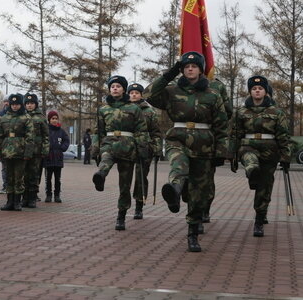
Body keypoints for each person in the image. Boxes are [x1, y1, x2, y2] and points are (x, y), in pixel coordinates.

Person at [143, 52, 229, 252]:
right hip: (178, 139)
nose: (190, 69)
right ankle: (174, 191)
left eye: (194, 66)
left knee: (198, 191)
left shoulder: (212, 94)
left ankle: (192, 233)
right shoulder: (172, 91)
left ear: (201, 70)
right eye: (186, 66)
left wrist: (221, 152)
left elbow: (222, 125)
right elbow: (148, 95)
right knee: (178, 166)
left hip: (204, 145)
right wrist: (169, 73)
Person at [231, 76, 291, 237]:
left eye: (260, 88)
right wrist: (232, 156)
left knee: (265, 186)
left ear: (266, 92)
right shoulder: (241, 112)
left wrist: (286, 157)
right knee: (250, 160)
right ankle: (252, 171)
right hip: (248, 145)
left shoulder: (276, 112)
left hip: (270, 150)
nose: (257, 91)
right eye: (254, 89)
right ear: (250, 92)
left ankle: (259, 218)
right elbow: (235, 135)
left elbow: (283, 136)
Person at [92, 75, 149, 231]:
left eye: (118, 86)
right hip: (109, 143)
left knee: (125, 184)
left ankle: (121, 215)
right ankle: (100, 176)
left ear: (124, 89)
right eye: (112, 86)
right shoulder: (103, 109)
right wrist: (95, 149)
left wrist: (143, 150)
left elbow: (141, 131)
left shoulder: (134, 109)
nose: (115, 88)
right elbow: (98, 131)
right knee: (105, 160)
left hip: (127, 146)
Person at [127, 83, 162, 220]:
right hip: (127, 147)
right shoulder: (124, 109)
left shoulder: (149, 111)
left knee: (141, 178)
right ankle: (123, 206)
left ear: (141, 95)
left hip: (144, 148)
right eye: (131, 92)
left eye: (136, 92)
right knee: (126, 178)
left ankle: (139, 206)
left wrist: (157, 149)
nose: (134, 94)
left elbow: (156, 132)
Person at [0, 93, 34, 211]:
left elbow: (30, 137)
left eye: (17, 104)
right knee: (8, 178)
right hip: (7, 152)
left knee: (19, 178)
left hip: (20, 153)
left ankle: (17, 201)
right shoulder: (4, 118)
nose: (15, 106)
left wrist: (28, 153)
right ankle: (9, 201)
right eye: (13, 104)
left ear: (20, 105)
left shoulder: (26, 118)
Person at [203, 78, 233, 223]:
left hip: (210, 136)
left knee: (207, 177)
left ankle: (204, 209)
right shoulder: (181, 82)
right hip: (184, 136)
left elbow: (227, 112)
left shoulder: (218, 85)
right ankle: (197, 210)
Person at [23, 93, 49, 208]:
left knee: (34, 175)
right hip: (23, 151)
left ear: (36, 104)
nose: (29, 106)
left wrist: (44, 150)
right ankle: (24, 198)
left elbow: (46, 136)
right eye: (27, 103)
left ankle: (32, 198)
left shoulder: (41, 117)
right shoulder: (22, 116)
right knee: (24, 175)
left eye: (32, 103)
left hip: (36, 151)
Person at [43, 110, 69, 203]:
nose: (54, 120)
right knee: (48, 178)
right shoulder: (46, 130)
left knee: (57, 179)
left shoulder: (61, 131)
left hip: (58, 158)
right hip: (48, 158)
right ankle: (48, 195)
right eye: (52, 119)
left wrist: (62, 148)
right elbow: (43, 141)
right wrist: (45, 149)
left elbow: (66, 140)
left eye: (56, 118)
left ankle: (57, 195)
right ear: (49, 120)